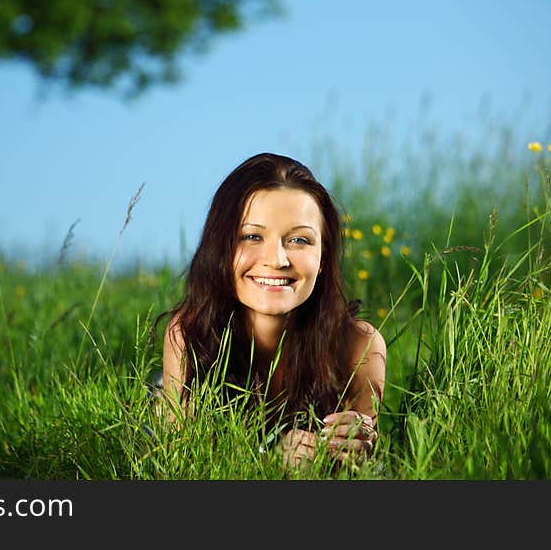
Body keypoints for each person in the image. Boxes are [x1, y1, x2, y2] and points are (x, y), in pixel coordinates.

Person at [158, 152, 386, 470]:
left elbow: (365, 464)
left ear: (323, 257)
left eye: (299, 240)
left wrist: (354, 449)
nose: (277, 259)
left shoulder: (359, 345)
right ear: (220, 248)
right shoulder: (189, 334)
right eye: (252, 236)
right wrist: (270, 460)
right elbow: (182, 462)